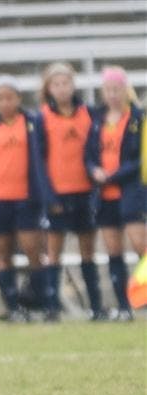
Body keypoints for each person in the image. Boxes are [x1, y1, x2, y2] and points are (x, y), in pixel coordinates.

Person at [0, 75, 48, 321]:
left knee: (32, 250)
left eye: (10, 97)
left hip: (26, 198)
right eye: (0, 98)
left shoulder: (31, 124)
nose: (5, 102)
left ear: (18, 98)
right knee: (3, 254)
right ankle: (13, 305)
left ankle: (40, 301)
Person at [34, 63, 105, 321]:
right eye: (57, 84)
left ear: (74, 85)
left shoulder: (89, 113)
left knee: (88, 251)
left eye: (66, 83)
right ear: (49, 88)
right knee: (54, 252)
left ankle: (96, 306)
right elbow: (39, 161)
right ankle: (52, 307)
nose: (62, 89)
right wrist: (48, 195)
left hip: (85, 192)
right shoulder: (42, 117)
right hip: (58, 193)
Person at [85, 66, 145, 321]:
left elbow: (138, 159)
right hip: (105, 195)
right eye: (108, 90)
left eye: (116, 89)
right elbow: (88, 155)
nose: (112, 95)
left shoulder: (136, 119)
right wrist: (94, 170)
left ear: (124, 90)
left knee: (140, 246)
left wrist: (112, 176)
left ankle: (141, 298)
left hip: (130, 191)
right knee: (113, 250)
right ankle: (123, 306)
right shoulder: (97, 121)